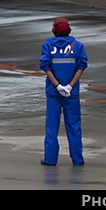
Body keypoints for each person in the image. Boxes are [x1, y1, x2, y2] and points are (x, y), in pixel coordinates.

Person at [40, 17, 87, 165]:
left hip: (54, 94)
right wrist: (70, 86)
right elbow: (82, 66)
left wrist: (57, 86)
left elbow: (45, 66)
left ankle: (50, 159)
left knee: (52, 128)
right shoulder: (77, 46)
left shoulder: (47, 45)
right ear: (69, 30)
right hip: (71, 94)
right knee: (74, 126)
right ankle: (77, 159)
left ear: (53, 31)